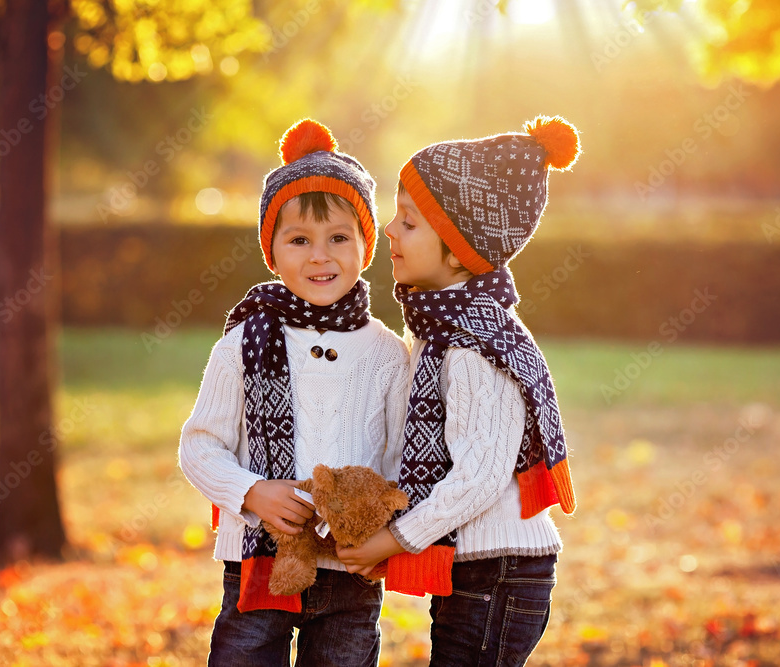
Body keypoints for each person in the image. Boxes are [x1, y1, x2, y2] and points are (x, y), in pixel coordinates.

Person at [337, 115, 580, 666]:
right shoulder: (438, 330)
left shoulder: (472, 343)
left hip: (500, 571)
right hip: (476, 566)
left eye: (410, 222)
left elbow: (480, 475)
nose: (390, 231)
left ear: (457, 249)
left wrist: (396, 539)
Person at [179, 118, 408, 667]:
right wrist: (252, 491)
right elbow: (199, 445)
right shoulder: (243, 343)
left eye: (338, 239)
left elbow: (404, 455)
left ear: (366, 246)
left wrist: (383, 530)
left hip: (350, 573)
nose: (319, 257)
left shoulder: (386, 352)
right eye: (299, 240)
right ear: (272, 253)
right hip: (258, 566)